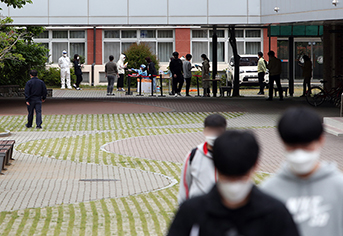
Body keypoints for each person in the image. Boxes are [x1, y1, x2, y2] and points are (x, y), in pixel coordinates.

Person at [168, 130, 300, 236]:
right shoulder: (276, 211)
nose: (234, 184)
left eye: (239, 176)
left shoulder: (275, 214)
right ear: (256, 165)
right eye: (228, 176)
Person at [261, 107, 343, 236]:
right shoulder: (268, 190)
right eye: (292, 147)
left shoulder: (339, 187)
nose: (299, 154)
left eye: (306, 146)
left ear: (321, 140)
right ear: (283, 142)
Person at [178, 114, 227, 205]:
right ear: (205, 131)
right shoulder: (194, 155)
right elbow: (185, 185)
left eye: (217, 131)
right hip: (198, 210)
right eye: (210, 131)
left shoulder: (232, 155)